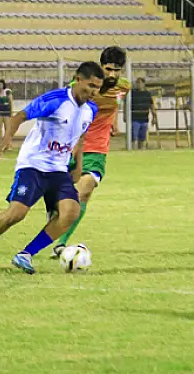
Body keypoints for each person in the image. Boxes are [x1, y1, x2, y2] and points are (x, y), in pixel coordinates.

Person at [0, 62, 104, 274]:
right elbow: (19, 116)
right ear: (77, 78)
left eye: (97, 88)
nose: (94, 92)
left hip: (58, 169)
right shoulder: (55, 100)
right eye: (91, 86)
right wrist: (7, 138)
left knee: (71, 212)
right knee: (16, 213)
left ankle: (26, 254)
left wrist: (78, 166)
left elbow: (81, 136)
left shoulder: (90, 109)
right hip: (33, 164)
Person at [51, 46, 129, 256]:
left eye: (117, 70)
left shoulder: (123, 87)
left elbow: (116, 102)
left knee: (83, 193)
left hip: (97, 150)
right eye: (108, 69)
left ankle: (61, 243)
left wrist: (112, 121)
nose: (112, 74)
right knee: (58, 195)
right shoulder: (83, 86)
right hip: (72, 145)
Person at [129, 77, 157, 150]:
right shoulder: (132, 93)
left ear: (144, 84)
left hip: (144, 119)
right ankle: (133, 149)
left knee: (142, 137)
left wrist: (154, 117)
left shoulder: (147, 94)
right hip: (135, 118)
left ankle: (140, 150)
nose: (139, 84)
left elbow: (152, 106)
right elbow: (126, 103)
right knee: (134, 137)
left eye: (140, 83)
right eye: (137, 82)